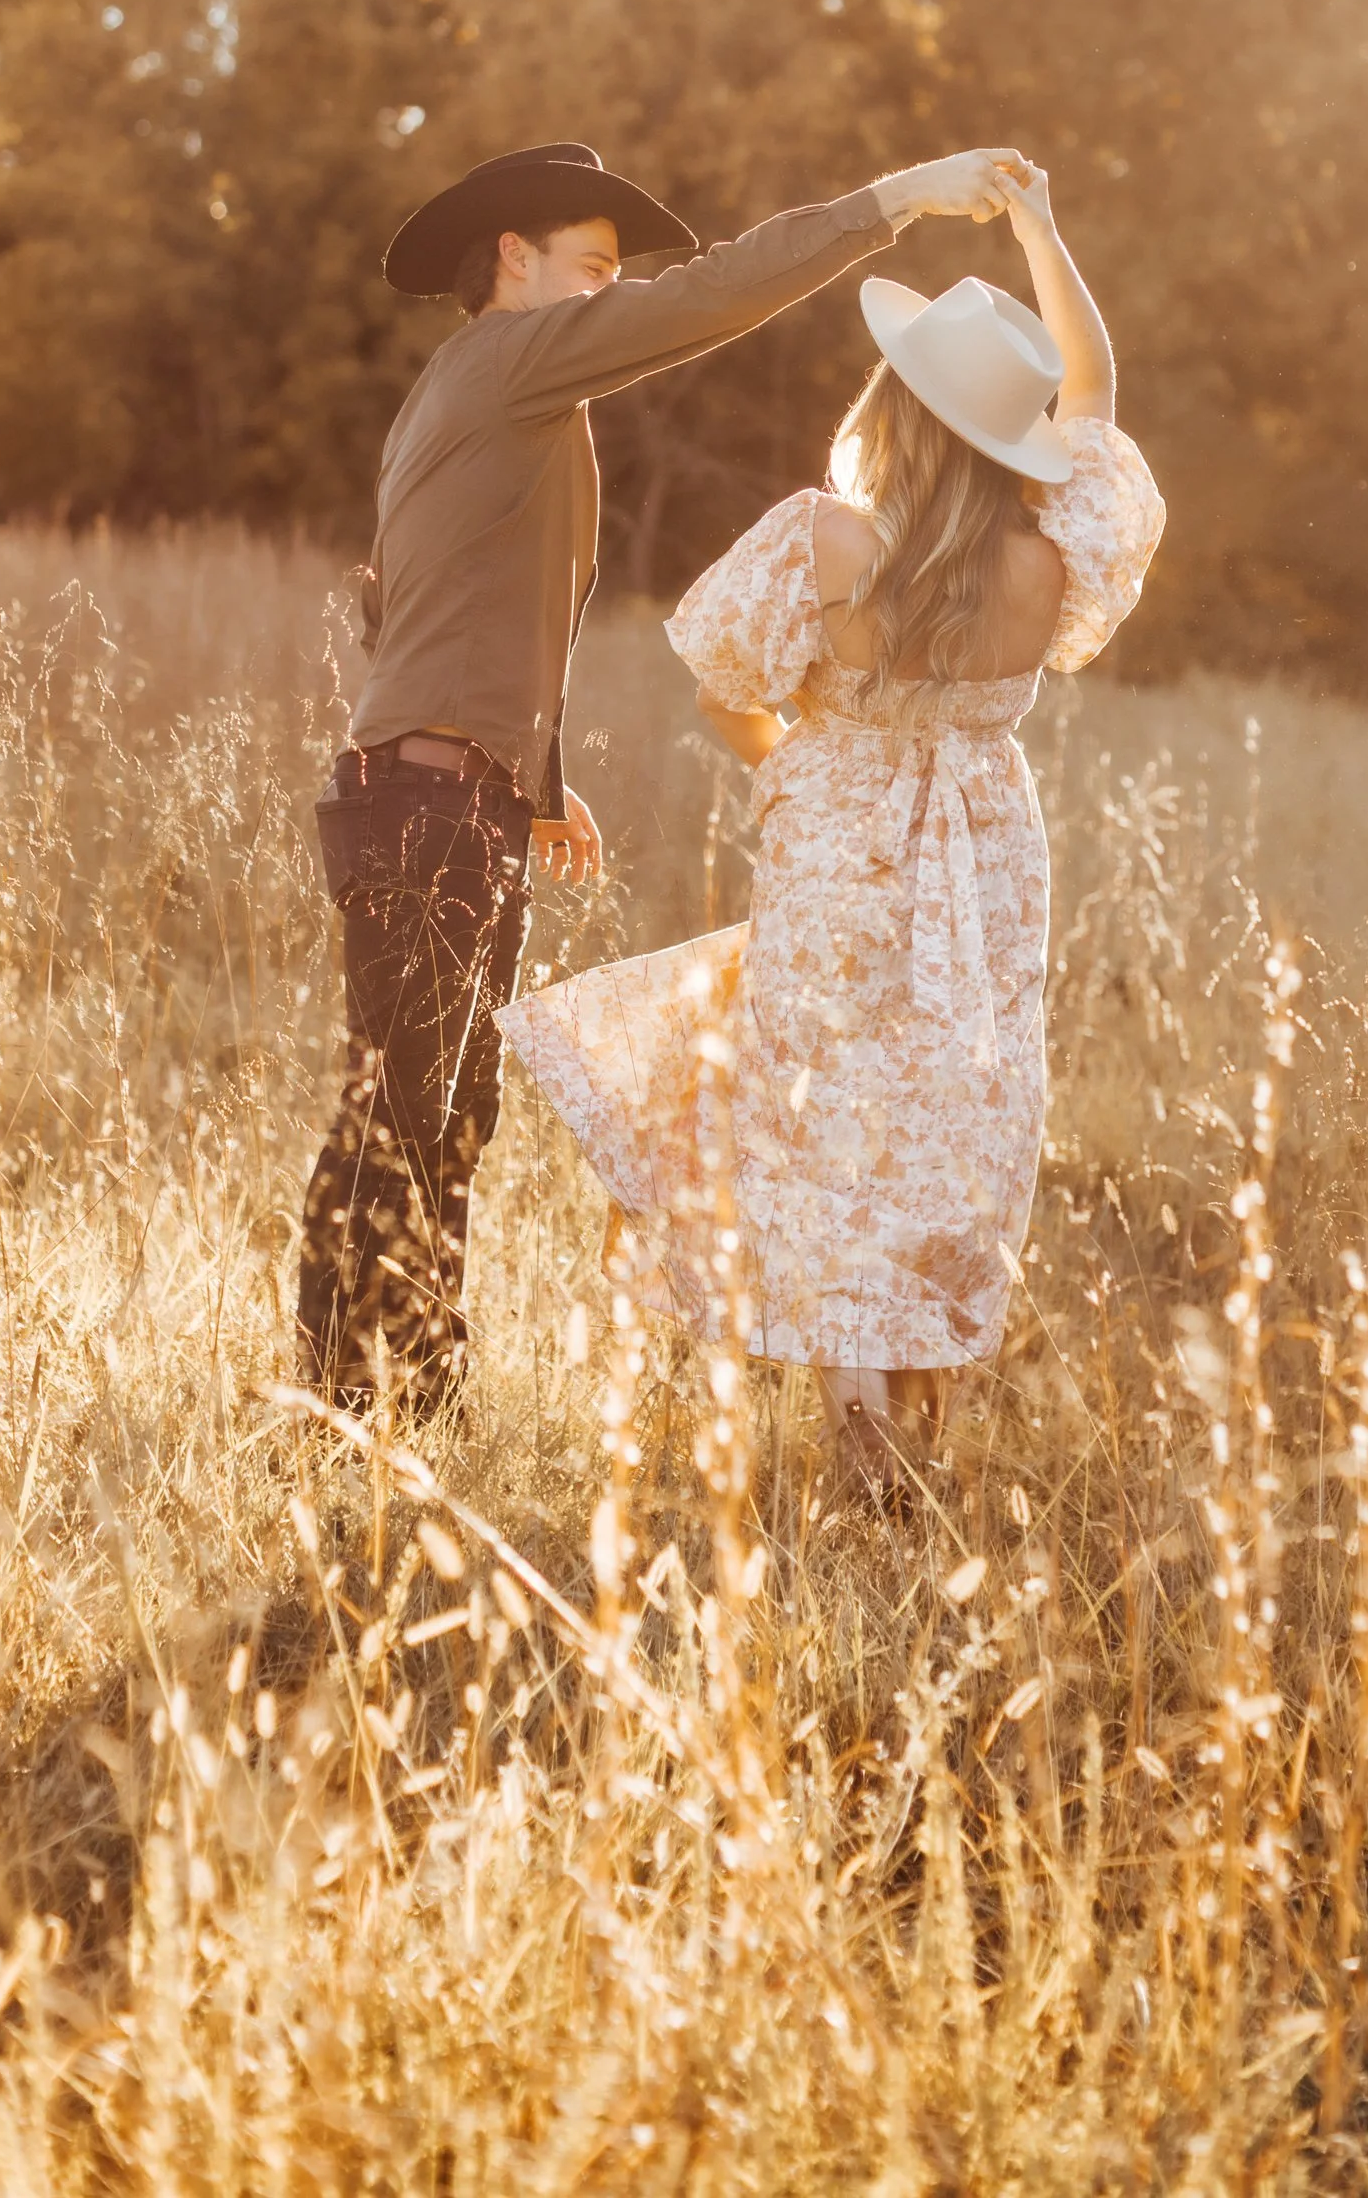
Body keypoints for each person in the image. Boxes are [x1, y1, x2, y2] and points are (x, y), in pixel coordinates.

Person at [296, 132, 1033, 1410]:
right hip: (426, 802)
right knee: (404, 1124)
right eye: (592, 270)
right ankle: (360, 1415)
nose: (612, 299)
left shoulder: (476, 394)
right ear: (512, 262)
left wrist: (529, 774)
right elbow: (712, 296)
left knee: (431, 1119)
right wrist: (899, 201)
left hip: (436, 789)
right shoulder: (510, 360)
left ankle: (388, 1403)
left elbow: (421, 604)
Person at [497, 161, 1164, 1503]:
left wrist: (801, 750)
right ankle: (916, 1422)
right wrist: (1041, 225)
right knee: (953, 1120)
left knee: (825, 1126)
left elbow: (723, 686)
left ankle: (852, 1411)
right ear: (1007, 437)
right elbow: (1094, 396)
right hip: (983, 857)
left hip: (838, 841)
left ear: (890, 406)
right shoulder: (1051, 554)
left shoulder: (824, 544)